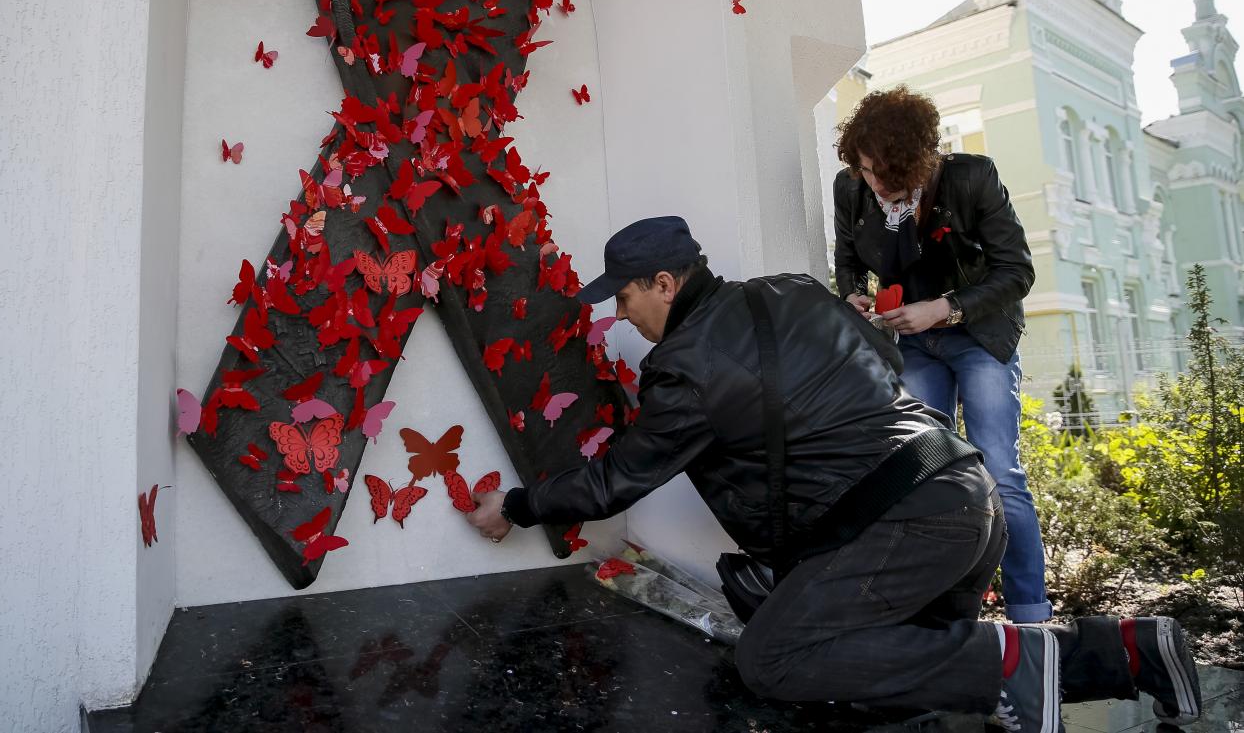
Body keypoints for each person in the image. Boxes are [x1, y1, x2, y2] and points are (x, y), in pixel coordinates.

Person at [466, 216, 1202, 731]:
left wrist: (520, 504)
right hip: (965, 496)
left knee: (773, 658)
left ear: (664, 282)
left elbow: (612, 483)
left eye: (623, 296)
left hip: (905, 526)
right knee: (908, 660)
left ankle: (1009, 660)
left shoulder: (684, 366)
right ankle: (1136, 649)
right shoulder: (793, 289)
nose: (620, 315)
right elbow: (882, 365)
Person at [832, 86, 1052, 625]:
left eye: (884, 172)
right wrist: (852, 296)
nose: (874, 183)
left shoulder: (972, 178)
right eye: (865, 168)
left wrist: (946, 309)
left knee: (998, 470)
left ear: (917, 160)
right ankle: (946, 614)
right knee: (926, 477)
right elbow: (847, 260)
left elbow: (1017, 272)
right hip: (913, 346)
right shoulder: (852, 188)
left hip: (980, 339)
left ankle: (1030, 616)